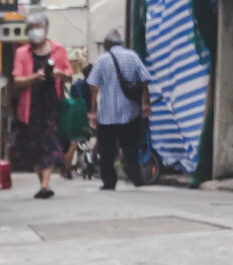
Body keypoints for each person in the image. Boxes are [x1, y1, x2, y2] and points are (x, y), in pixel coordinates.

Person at [11, 13, 73, 199]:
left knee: (50, 141)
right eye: (30, 28)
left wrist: (59, 74)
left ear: (45, 28)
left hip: (52, 102)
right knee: (35, 146)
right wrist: (35, 77)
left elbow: (69, 74)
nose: (34, 31)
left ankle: (45, 186)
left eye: (37, 26)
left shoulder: (58, 49)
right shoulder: (22, 53)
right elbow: (17, 80)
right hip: (31, 105)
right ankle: (42, 183)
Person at [87, 29, 152, 190]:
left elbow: (94, 87)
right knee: (130, 146)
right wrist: (146, 103)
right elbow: (145, 81)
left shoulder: (101, 60)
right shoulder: (133, 56)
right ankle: (135, 175)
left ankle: (109, 182)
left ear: (107, 44)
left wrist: (93, 111)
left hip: (108, 114)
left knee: (107, 150)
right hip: (129, 112)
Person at [63, 62, 93, 178]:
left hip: (80, 117)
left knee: (76, 143)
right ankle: (67, 169)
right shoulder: (82, 85)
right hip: (79, 118)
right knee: (74, 144)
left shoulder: (81, 84)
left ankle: (69, 169)